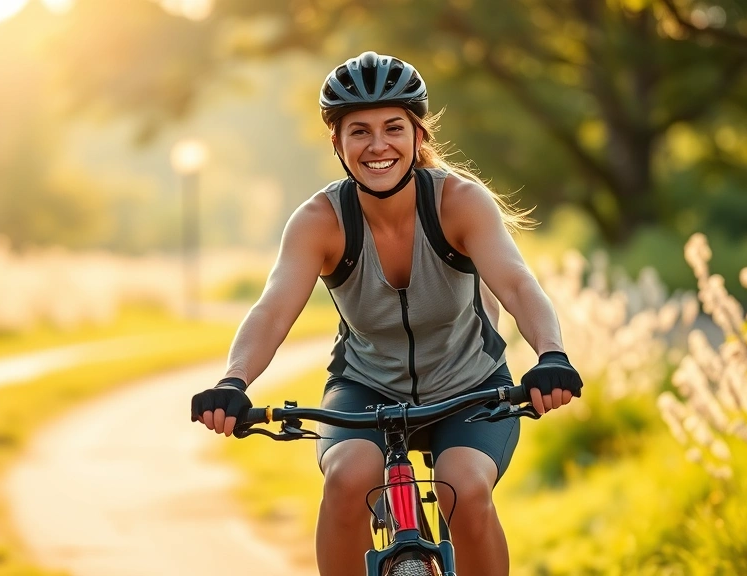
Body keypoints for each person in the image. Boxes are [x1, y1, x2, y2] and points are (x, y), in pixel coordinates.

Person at [191, 51, 583, 576]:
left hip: (470, 386)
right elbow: (272, 311)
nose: (378, 146)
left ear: (418, 136)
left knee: (465, 488)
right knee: (347, 479)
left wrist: (551, 354)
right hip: (365, 389)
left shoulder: (458, 203)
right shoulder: (321, 221)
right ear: (338, 144)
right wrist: (234, 380)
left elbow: (516, 283)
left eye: (393, 128)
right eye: (360, 132)